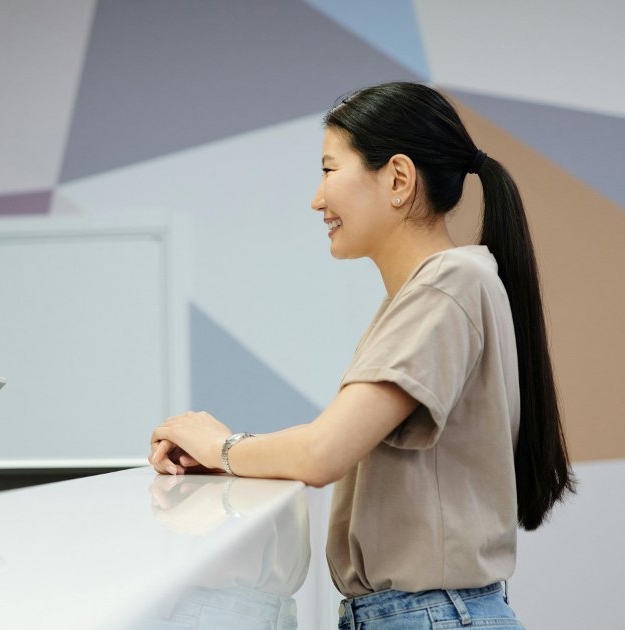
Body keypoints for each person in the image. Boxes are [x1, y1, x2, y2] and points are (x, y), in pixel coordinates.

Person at [149, 82, 574, 629]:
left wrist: (221, 445)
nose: (317, 198)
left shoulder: (449, 284)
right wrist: (232, 454)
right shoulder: (436, 290)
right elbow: (335, 440)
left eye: (329, 170)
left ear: (398, 179)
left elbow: (324, 452)